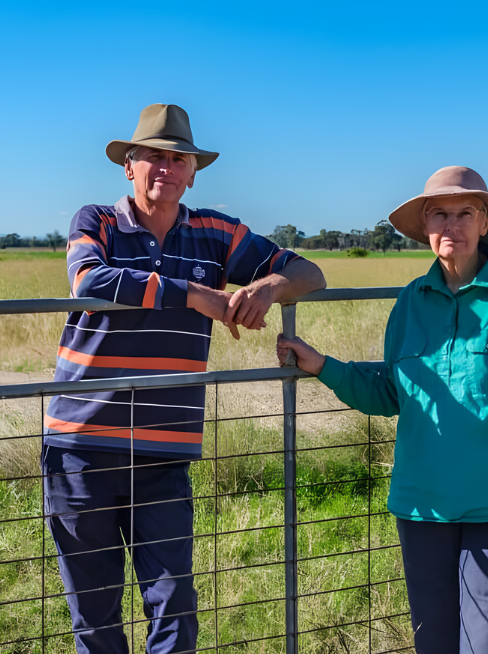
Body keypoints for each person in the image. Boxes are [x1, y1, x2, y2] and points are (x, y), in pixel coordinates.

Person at [43, 104, 327, 653]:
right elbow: (89, 281)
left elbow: (307, 271)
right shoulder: (96, 220)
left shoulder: (217, 233)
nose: (166, 168)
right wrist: (197, 295)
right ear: (129, 165)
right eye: (153, 156)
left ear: (194, 172)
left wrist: (266, 288)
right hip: (83, 447)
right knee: (95, 613)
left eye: (179, 159)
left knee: (174, 604)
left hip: (164, 452)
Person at [277, 166, 488, 653]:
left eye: (466, 213)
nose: (453, 225)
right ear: (424, 227)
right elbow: (391, 393)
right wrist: (322, 365)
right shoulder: (409, 303)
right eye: (439, 214)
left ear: (485, 223)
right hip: (423, 512)